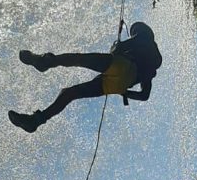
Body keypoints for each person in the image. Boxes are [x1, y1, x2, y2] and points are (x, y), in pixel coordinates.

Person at [8, 21, 162, 133]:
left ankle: (46, 62)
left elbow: (122, 47)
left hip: (122, 66)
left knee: (79, 59)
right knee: (69, 93)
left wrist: (116, 47)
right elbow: (144, 95)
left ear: (142, 30)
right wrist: (125, 93)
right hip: (119, 84)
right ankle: (35, 121)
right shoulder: (152, 62)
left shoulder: (145, 38)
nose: (134, 33)